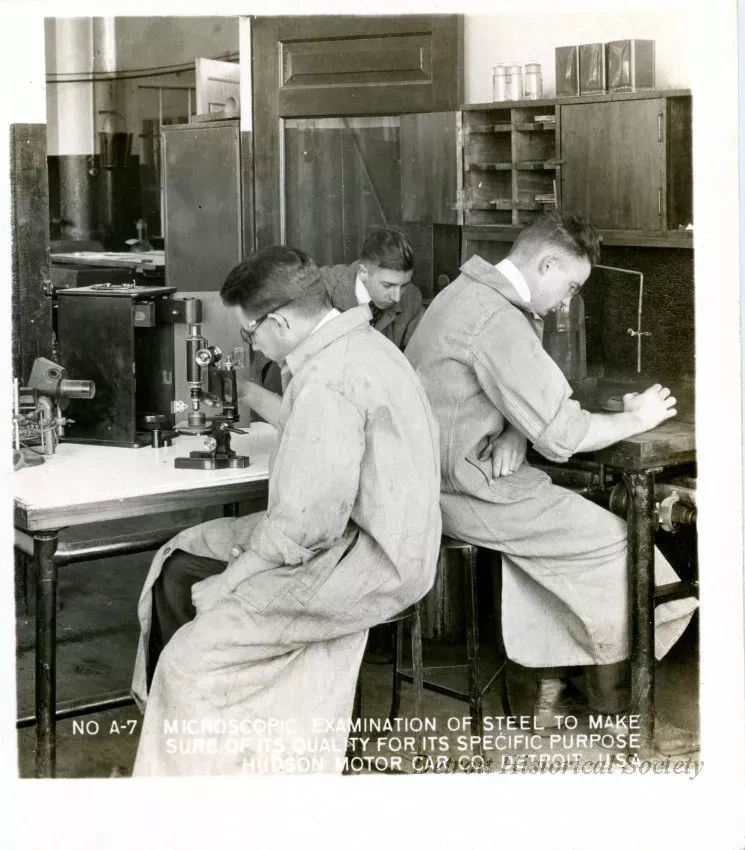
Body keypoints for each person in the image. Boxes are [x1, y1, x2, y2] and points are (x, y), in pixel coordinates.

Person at [131, 246, 442, 775]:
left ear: (278, 320)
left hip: (366, 556)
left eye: (251, 335)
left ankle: (207, 786)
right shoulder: (360, 345)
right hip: (362, 532)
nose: (253, 345)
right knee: (180, 559)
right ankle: (215, 749)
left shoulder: (327, 378)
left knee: (190, 661)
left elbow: (306, 525)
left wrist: (232, 583)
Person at [405, 210, 698, 755]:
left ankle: (546, 696)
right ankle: (626, 720)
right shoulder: (499, 318)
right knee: (620, 544)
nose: (567, 302)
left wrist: (518, 428)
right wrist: (638, 418)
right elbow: (564, 432)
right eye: (570, 285)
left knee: (556, 538)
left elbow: (492, 389)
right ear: (544, 264)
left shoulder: (467, 294)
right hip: (466, 489)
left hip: (438, 478)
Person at [257, 226, 424, 394]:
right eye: (388, 285)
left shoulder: (411, 298)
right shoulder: (319, 289)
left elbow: (414, 366)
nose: (397, 297)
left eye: (403, 285)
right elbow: (284, 354)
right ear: (363, 272)